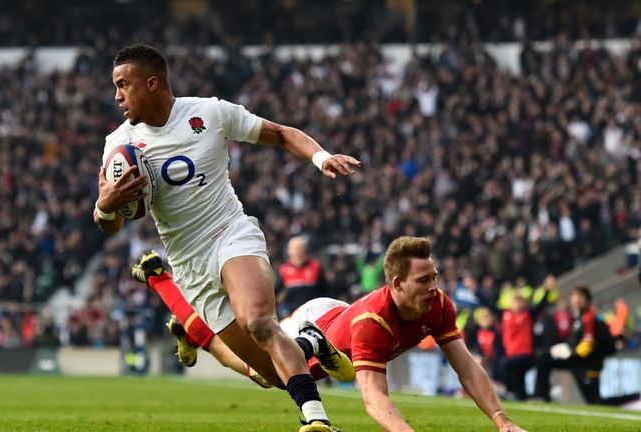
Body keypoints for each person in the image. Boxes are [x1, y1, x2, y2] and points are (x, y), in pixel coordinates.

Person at [93, 43, 360, 432]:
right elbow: (110, 224)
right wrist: (106, 206)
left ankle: (315, 421)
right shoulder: (119, 146)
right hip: (189, 263)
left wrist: (322, 158)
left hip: (230, 234)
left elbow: (282, 134)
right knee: (267, 373)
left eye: (123, 84)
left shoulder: (209, 113)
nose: (117, 96)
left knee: (260, 322)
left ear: (151, 83)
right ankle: (312, 343)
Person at [133, 237, 527, 432]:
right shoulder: (374, 322)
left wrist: (502, 420)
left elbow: (467, 367)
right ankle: (160, 278)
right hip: (319, 322)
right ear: (396, 283)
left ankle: (314, 347)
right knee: (257, 372)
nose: (434, 286)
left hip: (334, 319)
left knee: (332, 369)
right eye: (424, 280)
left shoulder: (438, 304)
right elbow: (374, 399)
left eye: (435, 277)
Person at [277, 237, 328, 318]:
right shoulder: (284, 269)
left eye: (299, 249)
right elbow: (276, 292)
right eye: (294, 250)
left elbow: (326, 290)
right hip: (291, 312)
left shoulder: (315, 267)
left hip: (313, 311)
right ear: (289, 252)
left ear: (304, 251)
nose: (297, 253)